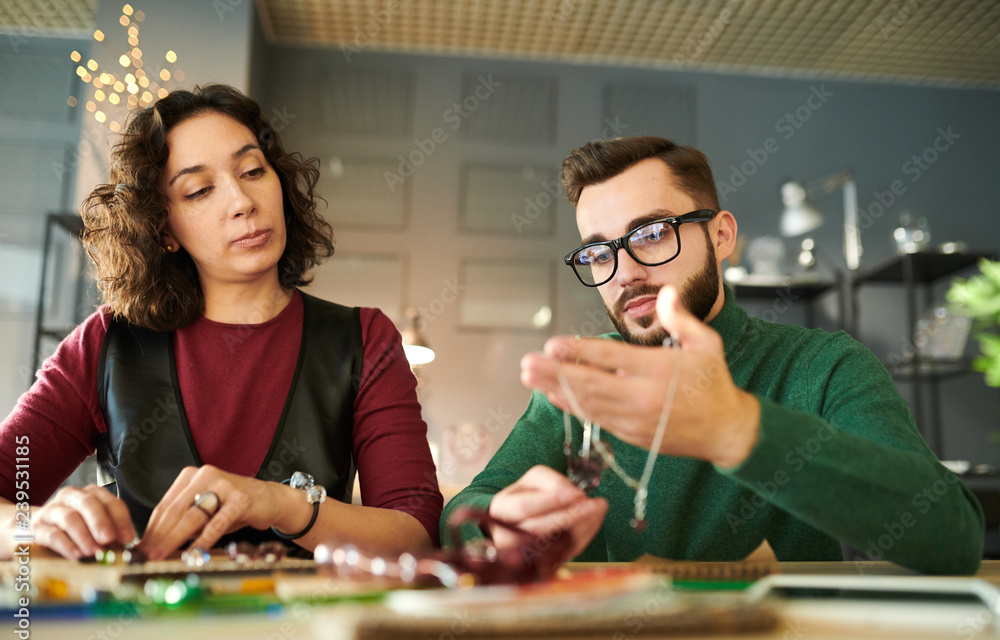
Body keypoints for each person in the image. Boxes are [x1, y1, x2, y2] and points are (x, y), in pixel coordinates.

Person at [442, 136, 984, 575]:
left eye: (651, 233)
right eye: (599, 251)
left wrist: (737, 429)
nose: (624, 270)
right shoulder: (582, 379)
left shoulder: (823, 366)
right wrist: (496, 521)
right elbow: (460, 515)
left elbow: (953, 536)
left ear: (721, 235)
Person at [0, 84, 442, 561]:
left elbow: (415, 534)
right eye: (199, 190)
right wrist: (27, 527)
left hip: (305, 631)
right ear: (164, 230)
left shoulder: (362, 340)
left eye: (253, 170)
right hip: (137, 630)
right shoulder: (108, 343)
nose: (242, 200)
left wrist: (282, 504)